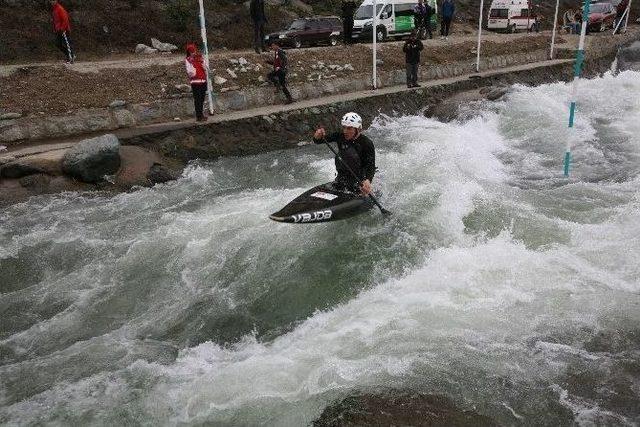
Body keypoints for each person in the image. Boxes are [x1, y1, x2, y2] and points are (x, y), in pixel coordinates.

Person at [312, 112, 376, 195]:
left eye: (349, 128)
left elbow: (371, 165)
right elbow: (318, 141)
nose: (345, 131)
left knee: (351, 155)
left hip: (359, 180)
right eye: (344, 128)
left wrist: (368, 180)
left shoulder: (366, 143)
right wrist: (317, 136)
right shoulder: (340, 136)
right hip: (342, 178)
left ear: (358, 129)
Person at [184, 43, 208, 122]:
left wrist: (203, 64)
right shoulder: (188, 60)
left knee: (201, 99)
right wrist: (193, 65)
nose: (193, 53)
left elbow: (205, 67)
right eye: (191, 51)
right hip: (195, 82)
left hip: (203, 80)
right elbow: (190, 72)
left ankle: (201, 114)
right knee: (197, 100)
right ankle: (199, 116)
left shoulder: (200, 58)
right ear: (189, 52)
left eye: (194, 51)